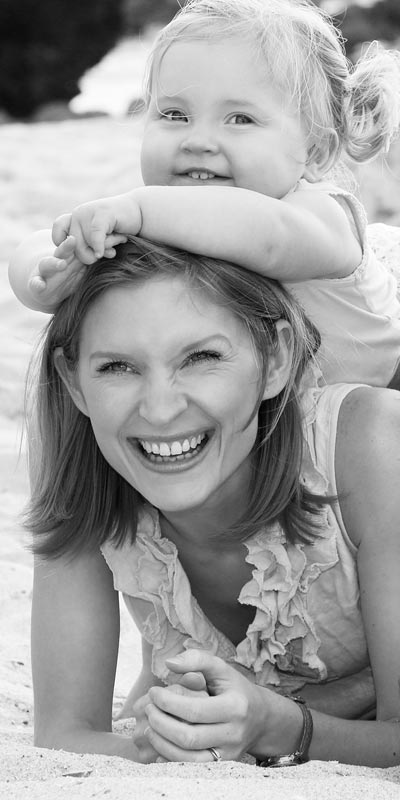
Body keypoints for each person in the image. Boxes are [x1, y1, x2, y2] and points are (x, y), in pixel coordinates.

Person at [28, 237, 400, 767]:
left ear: (275, 358)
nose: (158, 410)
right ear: (75, 381)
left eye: (201, 357)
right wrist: (180, 744)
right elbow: (66, 732)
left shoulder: (372, 445)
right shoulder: (89, 480)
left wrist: (277, 725)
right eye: (117, 367)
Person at [8, 0, 400, 387]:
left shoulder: (320, 216)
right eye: (174, 115)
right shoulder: (169, 212)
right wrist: (47, 274)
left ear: (315, 152)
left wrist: (139, 209)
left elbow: (267, 237)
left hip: (375, 407)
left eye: (240, 119)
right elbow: (41, 241)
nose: (198, 141)